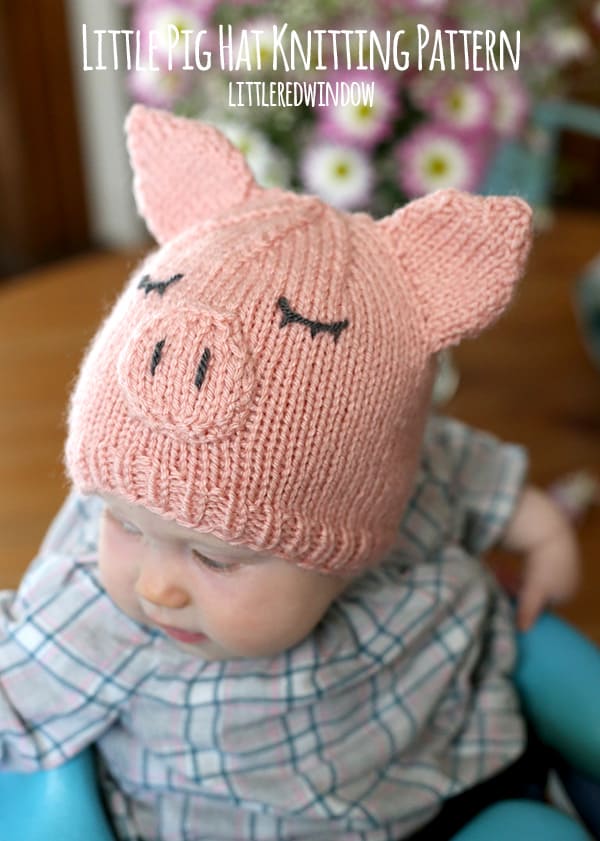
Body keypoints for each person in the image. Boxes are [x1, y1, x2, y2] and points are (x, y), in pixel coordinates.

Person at [0, 106, 580, 841]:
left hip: (460, 767)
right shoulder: (99, 613)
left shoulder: (402, 477)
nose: (155, 585)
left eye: (213, 556)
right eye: (120, 517)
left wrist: (545, 533)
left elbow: (465, 465)